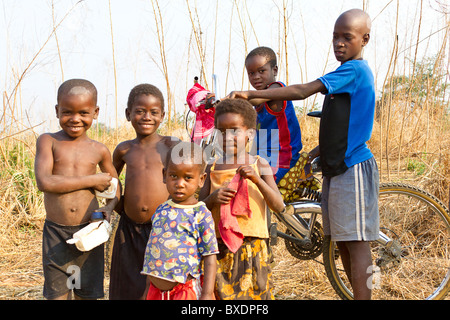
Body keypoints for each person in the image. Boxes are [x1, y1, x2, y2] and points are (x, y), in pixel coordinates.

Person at [227, 9, 379, 300]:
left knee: (357, 243)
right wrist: (315, 152)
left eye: (347, 37)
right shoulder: (343, 75)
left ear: (365, 39)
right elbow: (345, 125)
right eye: (335, 37)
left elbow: (302, 91)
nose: (339, 43)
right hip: (337, 167)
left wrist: (248, 94)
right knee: (342, 243)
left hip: (354, 168)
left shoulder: (354, 70)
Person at [34, 78, 120, 300]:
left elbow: (115, 187)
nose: (75, 119)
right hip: (56, 233)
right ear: (56, 110)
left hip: (89, 232)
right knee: (57, 294)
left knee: (87, 293)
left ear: (96, 112)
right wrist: (92, 179)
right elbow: (45, 182)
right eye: (67, 112)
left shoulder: (99, 150)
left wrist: (109, 209)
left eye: (83, 112)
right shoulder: (48, 141)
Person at [199, 99, 285, 300]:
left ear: (250, 134)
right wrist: (212, 199)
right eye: (221, 131)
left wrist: (256, 179)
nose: (227, 137)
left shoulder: (259, 164)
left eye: (234, 130)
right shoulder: (211, 168)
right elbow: (199, 209)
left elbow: (278, 204)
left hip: (253, 249)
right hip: (219, 250)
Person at [109, 83, 179, 300]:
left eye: (154, 112)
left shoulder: (171, 145)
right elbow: (112, 182)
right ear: (128, 114)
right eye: (140, 111)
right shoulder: (124, 149)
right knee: (127, 281)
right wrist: (119, 208)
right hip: (128, 228)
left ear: (163, 115)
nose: (147, 117)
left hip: (163, 226)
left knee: (157, 283)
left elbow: (191, 176)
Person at [141, 141, 218, 300]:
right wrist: (146, 292)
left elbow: (210, 256)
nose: (179, 184)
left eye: (188, 177)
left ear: (201, 179)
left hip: (184, 291)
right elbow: (153, 253)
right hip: (155, 292)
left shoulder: (200, 213)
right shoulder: (161, 210)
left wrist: (207, 293)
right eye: (173, 176)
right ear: (164, 175)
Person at [244, 46, 319, 203]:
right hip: (265, 156)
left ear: (274, 70)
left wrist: (235, 98)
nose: (256, 77)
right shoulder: (259, 99)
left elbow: (256, 99)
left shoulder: (276, 89)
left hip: (282, 158)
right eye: (251, 73)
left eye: (261, 71)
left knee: (254, 191)